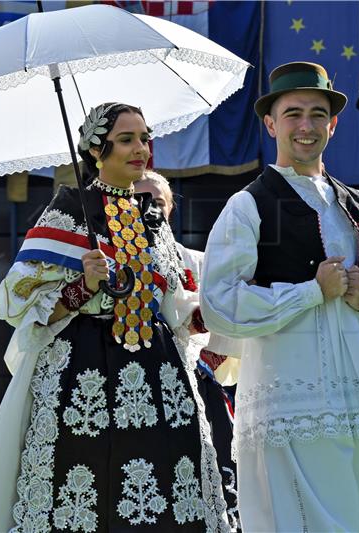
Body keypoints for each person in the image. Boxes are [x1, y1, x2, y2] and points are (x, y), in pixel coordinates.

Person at [0, 103, 229, 532]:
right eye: (126, 139)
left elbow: (171, 304)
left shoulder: (153, 216)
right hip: (83, 376)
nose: (140, 148)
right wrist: (82, 287)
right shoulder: (68, 209)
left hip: (158, 377)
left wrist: (204, 316)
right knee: (86, 485)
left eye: (144, 138)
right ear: (96, 151)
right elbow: (11, 300)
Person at [199, 61, 359, 532]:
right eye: (293, 114)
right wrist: (310, 292)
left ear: (333, 123)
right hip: (289, 400)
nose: (306, 126)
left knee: (354, 521)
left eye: (317, 114)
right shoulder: (248, 206)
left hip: (358, 400)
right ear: (270, 123)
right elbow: (219, 302)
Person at [135, 170, 241, 530]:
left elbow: (229, 328)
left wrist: (202, 364)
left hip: (196, 390)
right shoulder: (109, 259)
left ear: (170, 211)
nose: (146, 209)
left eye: (157, 202)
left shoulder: (199, 262)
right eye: (137, 200)